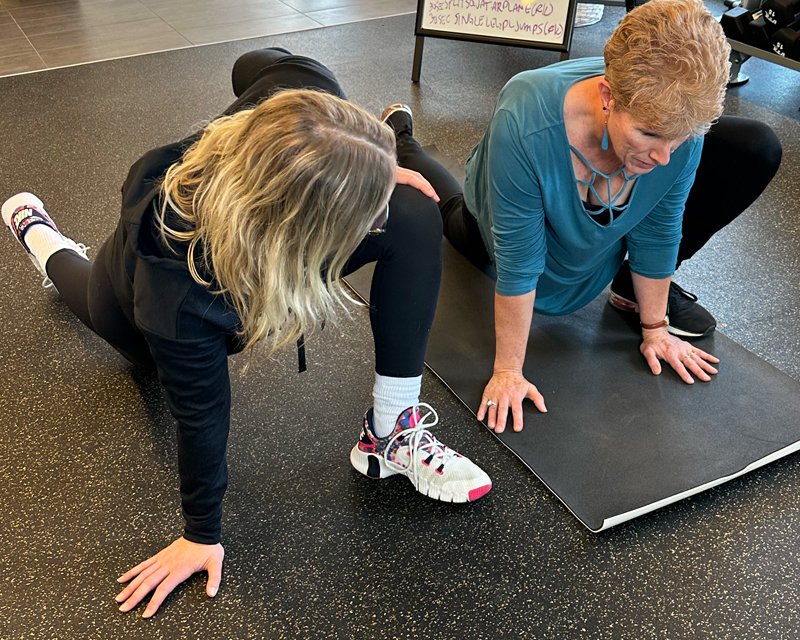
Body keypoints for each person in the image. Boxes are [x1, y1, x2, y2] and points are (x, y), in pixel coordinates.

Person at [2, 48, 492, 618]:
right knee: (88, 298)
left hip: (262, 226)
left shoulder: (300, 102)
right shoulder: (177, 298)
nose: (378, 212)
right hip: (130, 297)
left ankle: (389, 433)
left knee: (413, 211)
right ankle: (38, 235)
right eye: (365, 208)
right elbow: (201, 416)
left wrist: (370, 168)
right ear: (302, 227)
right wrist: (200, 534)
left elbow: (258, 63)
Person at [381, 0, 782, 434]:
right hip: (494, 212)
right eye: (648, 134)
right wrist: (509, 372)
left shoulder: (675, 122)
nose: (665, 156)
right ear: (608, 97)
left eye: (678, 139)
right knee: (449, 212)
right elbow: (519, 259)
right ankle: (401, 136)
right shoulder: (526, 115)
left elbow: (659, 226)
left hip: (588, 224)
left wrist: (655, 328)